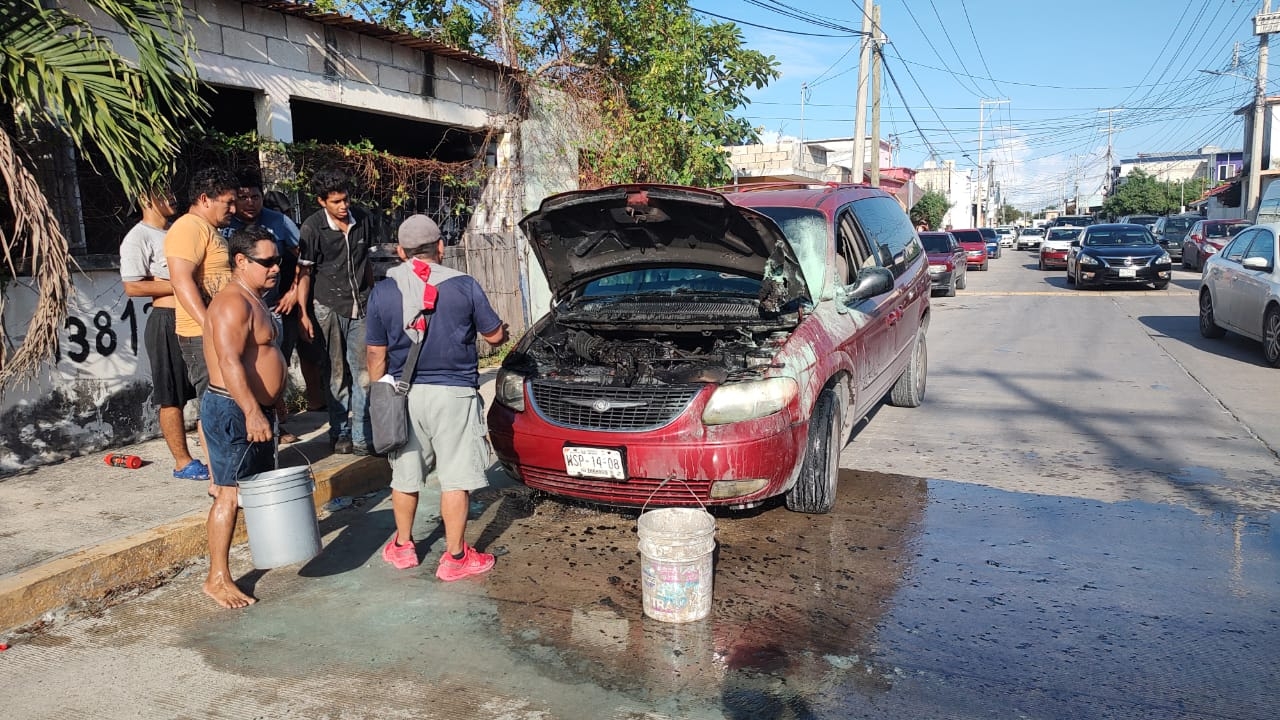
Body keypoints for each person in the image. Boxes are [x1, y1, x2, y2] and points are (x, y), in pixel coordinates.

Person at [366, 214, 508, 580]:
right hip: (454, 396)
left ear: (400, 252)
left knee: (405, 474)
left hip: (405, 393)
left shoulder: (383, 291)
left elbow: (375, 354)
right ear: (440, 248)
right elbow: (494, 338)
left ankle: (402, 546)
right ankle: (456, 558)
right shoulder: (464, 285)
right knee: (455, 478)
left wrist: (382, 390)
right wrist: (501, 332)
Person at [200, 225, 288, 608]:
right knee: (228, 493)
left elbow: (259, 357)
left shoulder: (255, 298)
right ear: (241, 261)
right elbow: (229, 361)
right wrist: (253, 411)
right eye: (266, 262)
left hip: (254, 408)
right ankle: (216, 578)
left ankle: (255, 557)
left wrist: (274, 400)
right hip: (233, 409)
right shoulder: (232, 303)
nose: (275, 268)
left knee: (247, 490)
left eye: (278, 260)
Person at [227, 167, 324, 443]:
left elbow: (304, 258)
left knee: (272, 368)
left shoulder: (279, 221)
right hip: (240, 312)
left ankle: (277, 425)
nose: (249, 203)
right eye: (243, 197)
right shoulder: (225, 225)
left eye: (255, 197)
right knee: (244, 368)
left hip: (275, 310)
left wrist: (294, 291)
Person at [119, 189, 209, 481]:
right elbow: (133, 287)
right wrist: (182, 284)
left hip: (194, 317)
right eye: (163, 192)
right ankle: (182, 462)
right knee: (170, 394)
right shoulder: (138, 237)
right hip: (166, 319)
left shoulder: (178, 230)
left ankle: (212, 455)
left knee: (208, 388)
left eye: (172, 191)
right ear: (146, 198)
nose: (172, 197)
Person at [166, 167, 239, 488]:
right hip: (201, 335)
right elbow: (180, 280)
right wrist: (210, 324)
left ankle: (227, 471)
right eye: (228, 202)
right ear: (205, 199)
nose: (234, 209)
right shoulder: (188, 227)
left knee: (227, 401)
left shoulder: (207, 229)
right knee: (216, 403)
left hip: (216, 331)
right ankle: (221, 480)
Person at [296, 169, 375, 455]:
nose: (343, 206)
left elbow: (366, 263)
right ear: (322, 202)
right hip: (327, 306)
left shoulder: (364, 219)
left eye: (346, 199)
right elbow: (304, 272)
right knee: (336, 373)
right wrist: (303, 313)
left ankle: (363, 436)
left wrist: (374, 297)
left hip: (362, 304)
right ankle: (340, 433)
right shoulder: (312, 228)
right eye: (336, 201)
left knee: (364, 373)